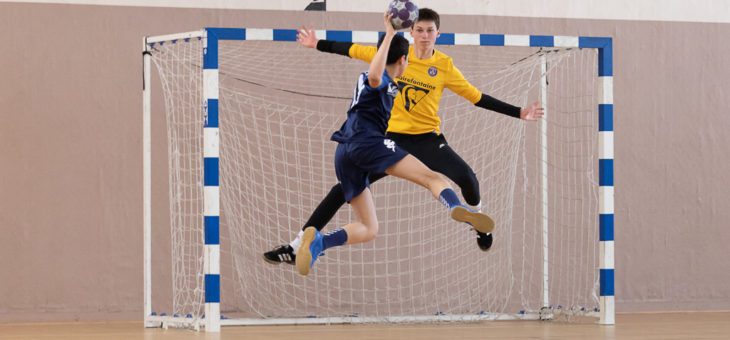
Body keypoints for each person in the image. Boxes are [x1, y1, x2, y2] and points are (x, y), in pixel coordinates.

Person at [264, 8, 543, 265]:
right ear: (410, 33)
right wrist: (318, 44)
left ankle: (478, 224)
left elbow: (476, 96)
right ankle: (297, 244)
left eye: (429, 30)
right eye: (419, 30)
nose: (424, 35)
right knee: (343, 191)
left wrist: (518, 112)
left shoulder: (444, 66)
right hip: (390, 139)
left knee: (468, 179)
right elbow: (351, 49)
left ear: (438, 34)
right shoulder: (395, 55)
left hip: (426, 139)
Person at [295, 12, 493, 276]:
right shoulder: (381, 81)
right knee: (433, 178)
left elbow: (359, 58)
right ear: (403, 58)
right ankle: (456, 207)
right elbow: (376, 77)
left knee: (368, 228)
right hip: (370, 145)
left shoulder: (379, 82)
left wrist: (320, 43)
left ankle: (318, 242)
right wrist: (390, 33)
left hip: (344, 152)